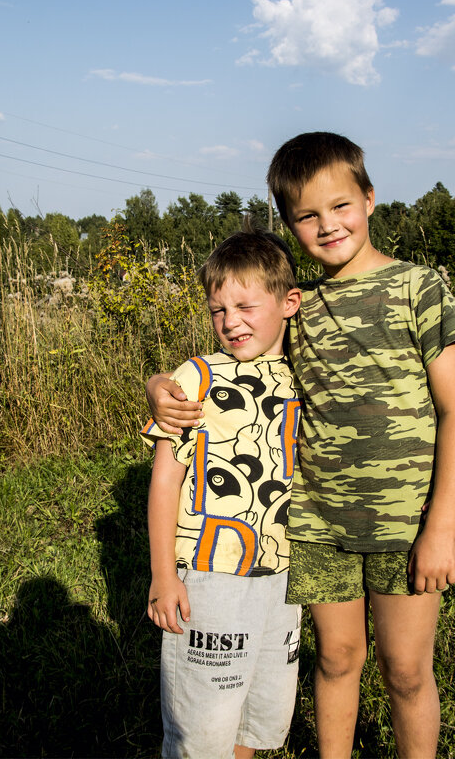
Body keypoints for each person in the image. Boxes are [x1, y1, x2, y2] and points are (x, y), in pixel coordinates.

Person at [147, 132, 455, 758]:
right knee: (337, 658)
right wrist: (157, 385)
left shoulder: (419, 287)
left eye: (341, 206)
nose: (328, 226)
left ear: (370, 199)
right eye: (307, 215)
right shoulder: (300, 307)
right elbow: (235, 362)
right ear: (289, 223)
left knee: (406, 672)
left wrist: (442, 527)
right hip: (316, 525)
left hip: (405, 523)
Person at [141, 228, 305, 759]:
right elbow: (166, 478)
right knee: (203, 724)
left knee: (257, 717)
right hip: (212, 577)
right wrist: (164, 575)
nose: (230, 321)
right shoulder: (197, 377)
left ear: (288, 303)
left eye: (245, 306)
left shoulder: (307, 376)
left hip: (284, 577)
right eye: (218, 310)